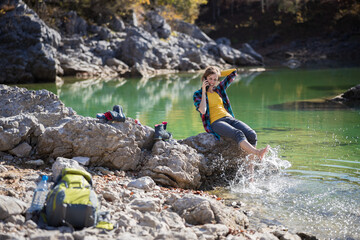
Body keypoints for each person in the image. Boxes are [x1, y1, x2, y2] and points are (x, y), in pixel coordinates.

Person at [193, 66, 270, 164]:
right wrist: (204, 91)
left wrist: (218, 72)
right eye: (210, 79)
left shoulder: (219, 89)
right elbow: (203, 111)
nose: (212, 82)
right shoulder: (198, 94)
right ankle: (257, 152)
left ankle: (251, 175)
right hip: (216, 122)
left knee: (252, 135)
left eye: (215, 79)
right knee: (238, 133)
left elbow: (233, 72)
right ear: (205, 79)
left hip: (228, 118)